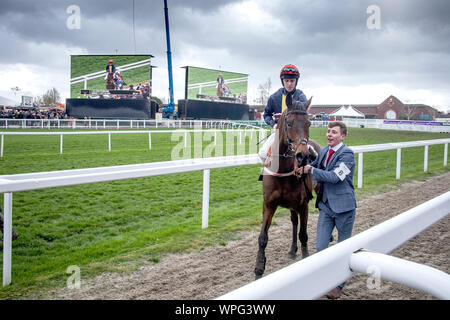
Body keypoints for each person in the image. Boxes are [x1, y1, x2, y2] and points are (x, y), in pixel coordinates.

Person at [296, 121, 356, 299]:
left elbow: (335, 177)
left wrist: (311, 169)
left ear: (343, 136)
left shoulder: (348, 155)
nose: (329, 134)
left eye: (334, 132)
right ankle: (323, 280)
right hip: (326, 207)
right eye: (329, 131)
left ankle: (338, 285)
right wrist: (300, 167)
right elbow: (312, 165)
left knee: (342, 249)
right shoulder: (324, 152)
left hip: (345, 208)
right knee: (321, 247)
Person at [258, 64, 307, 163]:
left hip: (297, 134)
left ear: (296, 82)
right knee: (263, 153)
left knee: (312, 154)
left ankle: (310, 175)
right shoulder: (274, 97)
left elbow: (304, 116)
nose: (289, 84)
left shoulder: (301, 97)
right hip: (279, 133)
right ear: (282, 82)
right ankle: (268, 175)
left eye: (292, 81)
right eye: (287, 81)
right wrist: (273, 124)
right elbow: (266, 114)